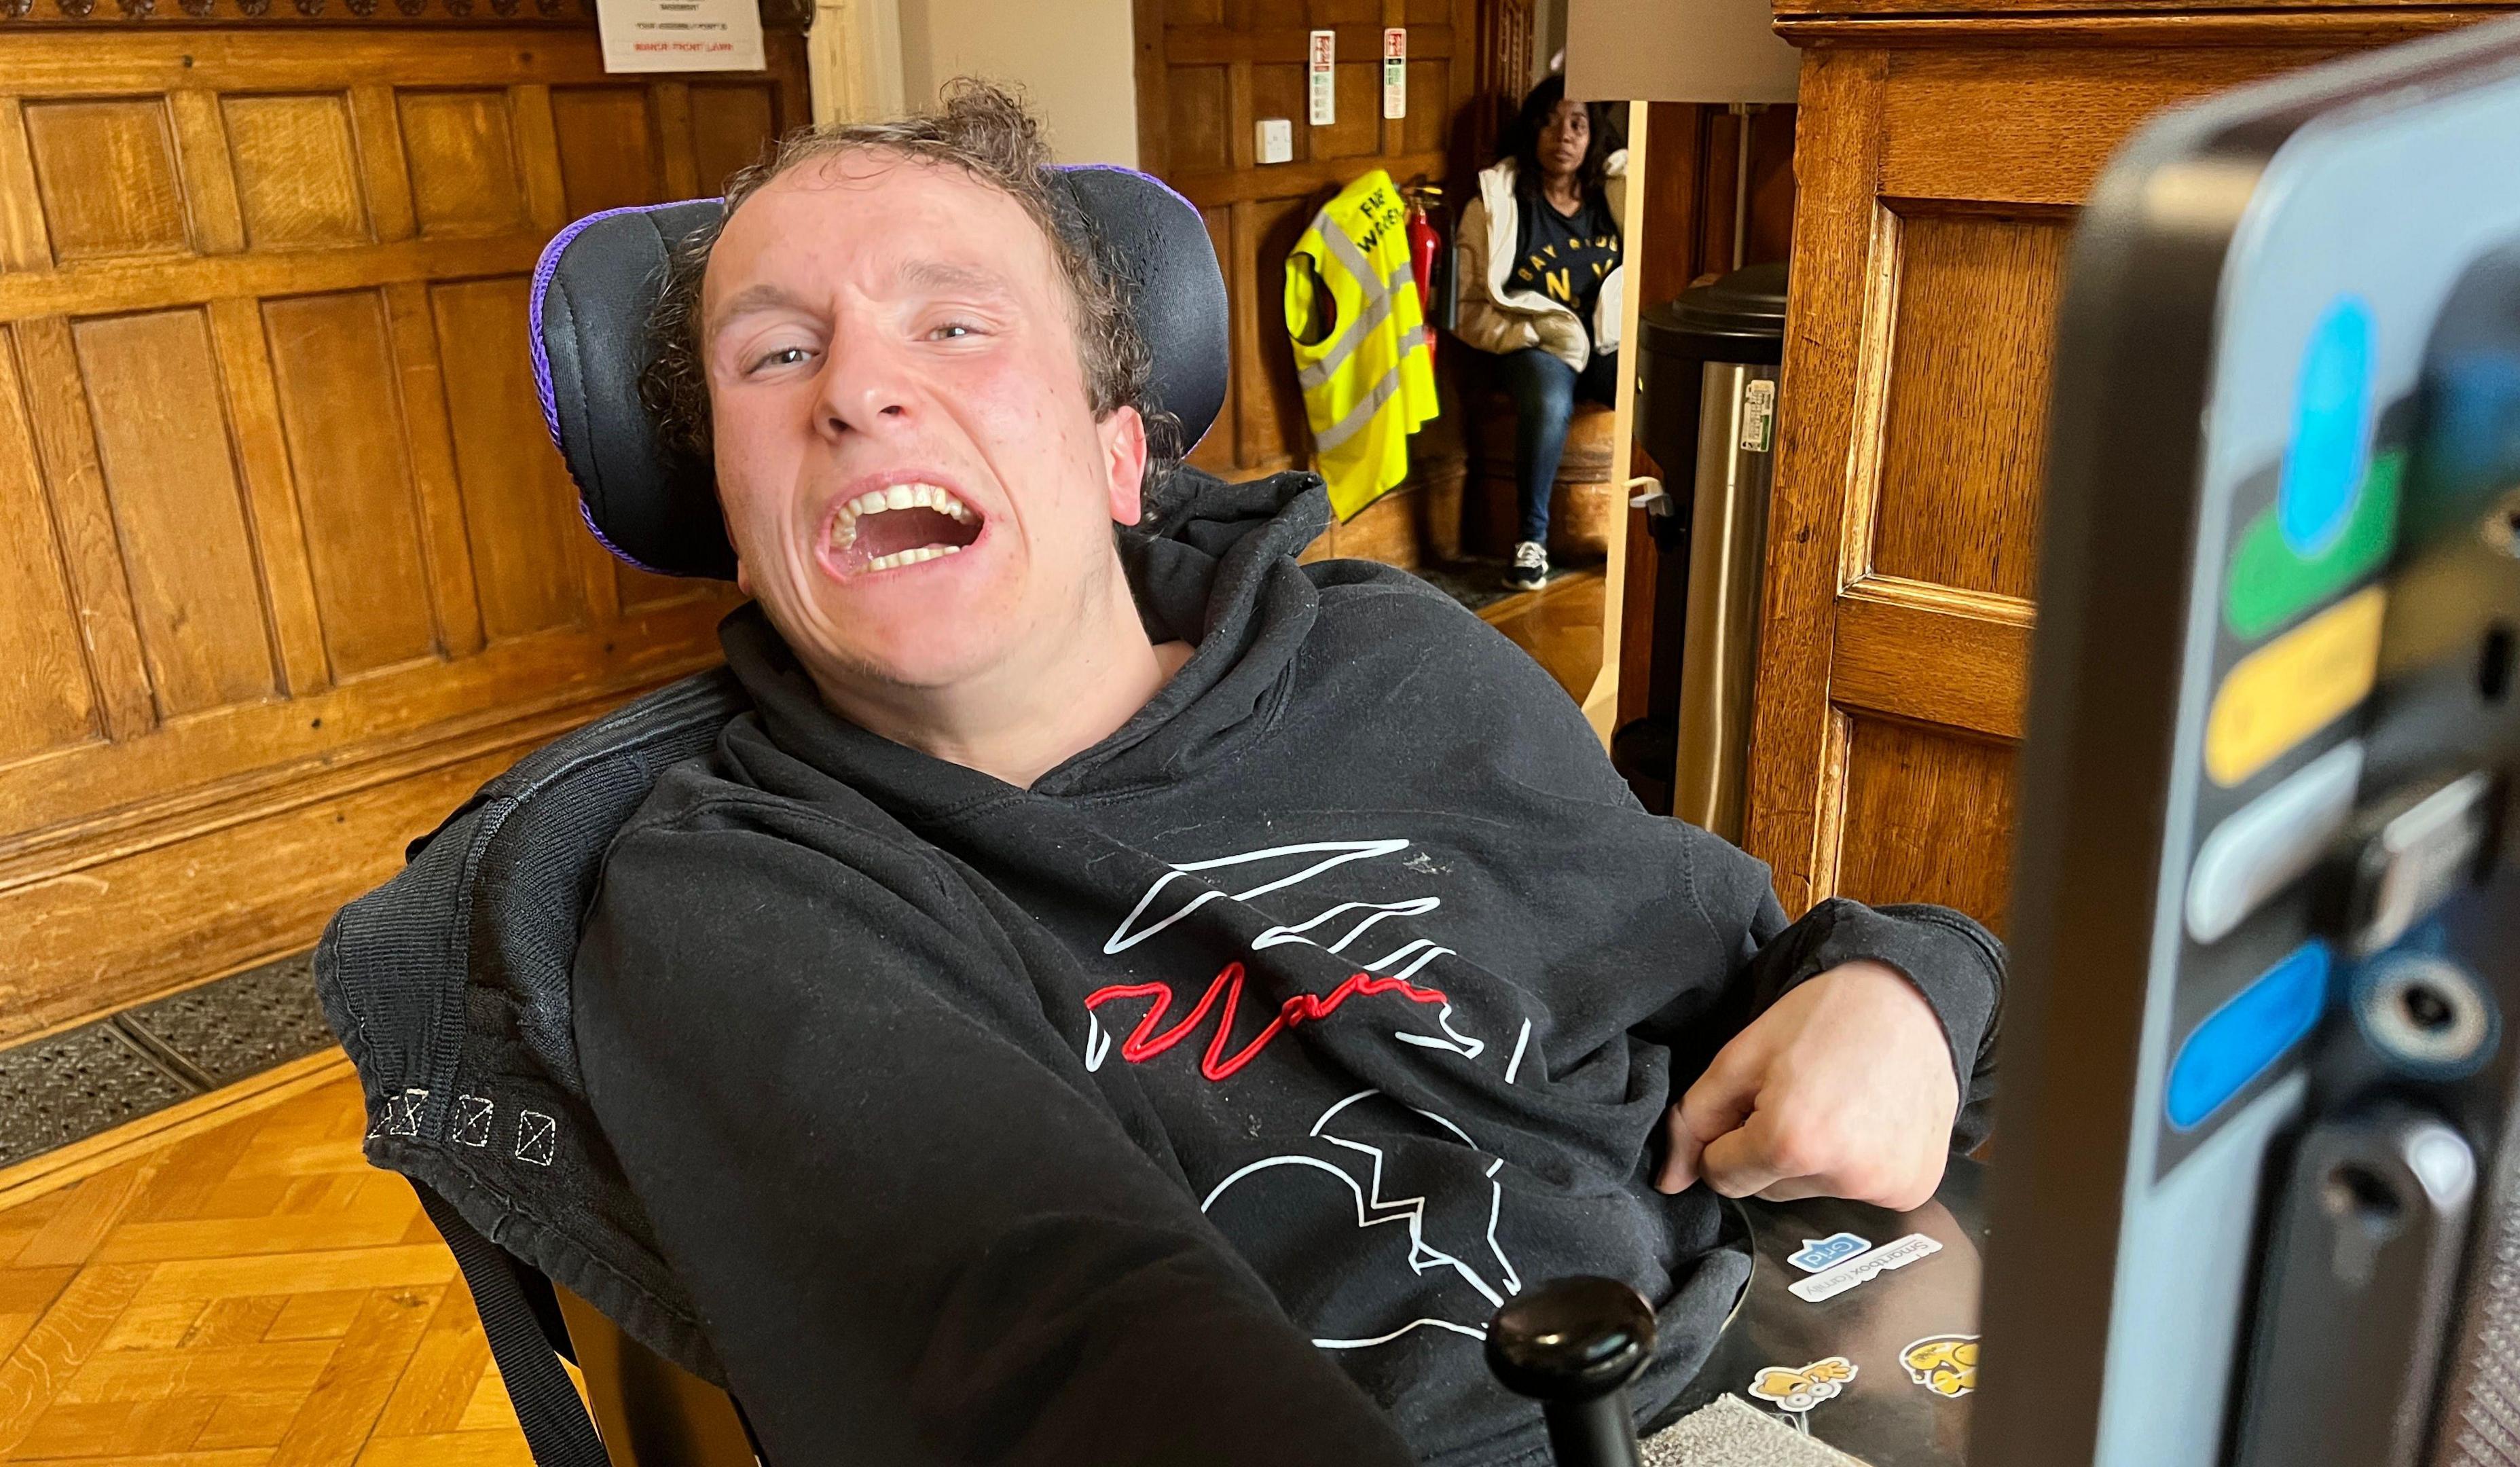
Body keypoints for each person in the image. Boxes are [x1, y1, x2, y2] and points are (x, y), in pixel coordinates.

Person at [587, 81, 2001, 1466]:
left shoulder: (1395, 659)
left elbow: (1754, 967)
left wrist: (1910, 994)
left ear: (1118, 453)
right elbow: (1075, 1359)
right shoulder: (740, 893)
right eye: (774, 356)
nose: (860, 390)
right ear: (728, 496)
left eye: (955, 325)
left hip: (1786, 1346)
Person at [1454, 73, 1626, 592]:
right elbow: (1467, 311)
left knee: (1654, 383)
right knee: (1549, 402)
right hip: (1536, 344)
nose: (1563, 136)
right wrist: (1524, 337)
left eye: (1577, 124)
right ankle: (1532, 543)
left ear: (1593, 136)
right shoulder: (1498, 206)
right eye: (1549, 123)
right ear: (1531, 133)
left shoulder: (1613, 200)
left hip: (1604, 342)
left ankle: (1650, 529)